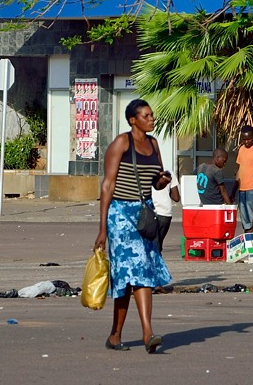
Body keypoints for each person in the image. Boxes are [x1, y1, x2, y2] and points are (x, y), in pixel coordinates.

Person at [93, 99, 172, 354]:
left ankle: (115, 335)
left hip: (143, 214)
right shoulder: (121, 143)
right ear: (133, 120)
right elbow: (107, 186)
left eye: (152, 115)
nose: (152, 119)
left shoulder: (153, 144)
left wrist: (163, 181)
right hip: (120, 215)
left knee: (134, 276)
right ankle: (147, 332)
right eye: (146, 116)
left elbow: (155, 184)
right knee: (138, 270)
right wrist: (102, 229)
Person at [150, 171, 180, 255]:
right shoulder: (169, 172)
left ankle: (153, 264)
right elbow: (176, 198)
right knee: (158, 244)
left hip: (150, 211)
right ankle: (157, 263)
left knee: (150, 245)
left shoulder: (147, 169)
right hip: (165, 213)